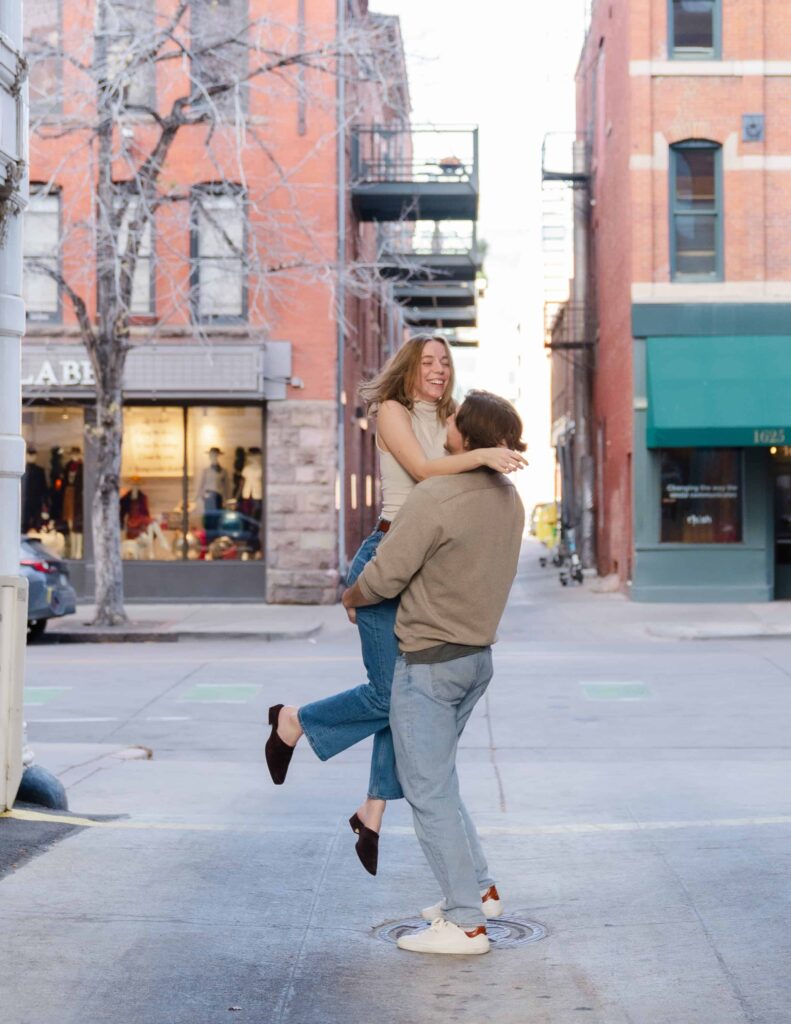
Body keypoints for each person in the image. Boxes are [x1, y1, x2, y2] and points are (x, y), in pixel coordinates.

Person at [265, 336, 526, 875]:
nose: (437, 368)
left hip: (426, 558)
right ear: (408, 368)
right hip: (390, 549)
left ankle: (373, 809)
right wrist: (482, 455)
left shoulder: (455, 417)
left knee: (404, 695)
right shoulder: (391, 412)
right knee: (391, 693)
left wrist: (493, 449)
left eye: (445, 361)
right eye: (427, 360)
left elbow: (469, 457)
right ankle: (294, 723)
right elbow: (427, 473)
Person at [341, 390, 525, 955]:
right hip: (476, 661)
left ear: (465, 436)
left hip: (428, 665)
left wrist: (353, 594)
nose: (445, 422)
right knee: (439, 781)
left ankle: (467, 924)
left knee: (427, 792)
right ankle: (481, 890)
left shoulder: (436, 496)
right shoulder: (509, 498)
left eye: (453, 419)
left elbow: (387, 574)